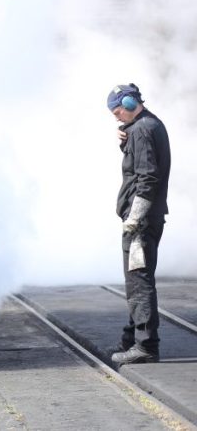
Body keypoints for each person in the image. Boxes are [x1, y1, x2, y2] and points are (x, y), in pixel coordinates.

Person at [107, 83, 170, 365]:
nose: (116, 115)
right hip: (145, 219)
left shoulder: (142, 130)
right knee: (136, 281)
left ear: (131, 104)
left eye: (118, 109)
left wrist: (134, 218)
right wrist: (125, 141)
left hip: (141, 223)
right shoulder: (147, 125)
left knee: (139, 282)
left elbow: (147, 178)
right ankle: (131, 338)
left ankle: (145, 345)